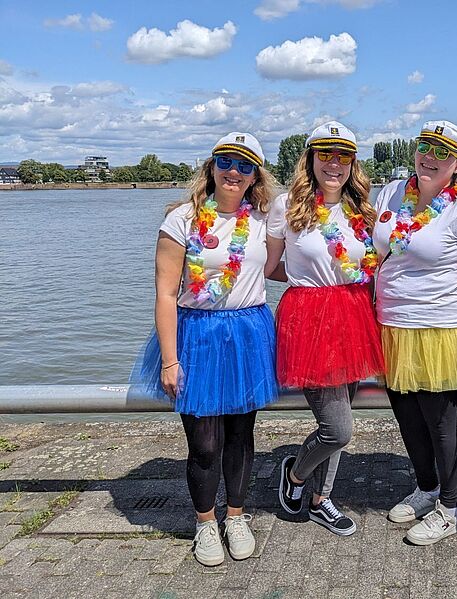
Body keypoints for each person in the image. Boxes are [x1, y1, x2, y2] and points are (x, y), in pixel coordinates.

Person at [130, 132, 279, 566]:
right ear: (212, 167)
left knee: (240, 435)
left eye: (245, 165)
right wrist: (170, 359)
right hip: (196, 334)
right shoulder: (182, 219)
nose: (235, 171)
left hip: (248, 332)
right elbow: (163, 293)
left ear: (255, 177)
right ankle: (204, 522)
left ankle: (236, 515)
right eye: (227, 162)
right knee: (205, 443)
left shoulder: (263, 221)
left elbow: (286, 263)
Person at [372, 120, 457, 546]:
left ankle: (451, 507)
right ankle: (426, 488)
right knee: (407, 419)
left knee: (441, 422)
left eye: (443, 152)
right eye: (426, 146)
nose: (431, 157)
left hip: (440, 326)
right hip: (392, 325)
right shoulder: (389, 193)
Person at [268, 121, 384, 535]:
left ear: (353, 163)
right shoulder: (287, 206)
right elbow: (269, 267)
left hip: (354, 315)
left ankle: (321, 500)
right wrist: (307, 283)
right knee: (338, 429)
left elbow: (372, 264)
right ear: (311, 159)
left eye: (344, 156)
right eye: (325, 155)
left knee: (342, 413)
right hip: (311, 319)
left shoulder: (361, 210)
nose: (334, 164)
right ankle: (296, 476)